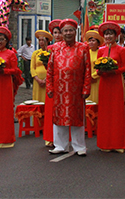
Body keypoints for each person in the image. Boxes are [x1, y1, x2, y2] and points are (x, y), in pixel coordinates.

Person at [46, 19, 91, 156]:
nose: (68, 33)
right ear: (62, 33)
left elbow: (87, 70)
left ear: (75, 31)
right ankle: (60, 145)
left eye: (71, 30)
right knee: (59, 118)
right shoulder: (55, 48)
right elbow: (50, 69)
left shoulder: (83, 48)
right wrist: (49, 87)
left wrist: (86, 89)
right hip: (59, 90)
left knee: (77, 118)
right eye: (65, 30)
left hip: (76, 89)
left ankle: (79, 147)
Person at [96, 21, 125, 153]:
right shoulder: (101, 50)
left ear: (116, 36)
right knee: (104, 111)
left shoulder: (121, 50)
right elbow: (97, 67)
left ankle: (118, 143)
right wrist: (100, 71)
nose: (108, 37)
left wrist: (113, 71)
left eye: (110, 34)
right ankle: (105, 143)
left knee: (116, 110)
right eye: (106, 34)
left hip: (116, 82)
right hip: (104, 82)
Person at [43, 19, 63, 147]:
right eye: (55, 32)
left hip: (64, 82)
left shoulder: (68, 48)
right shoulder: (49, 49)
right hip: (52, 81)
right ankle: (50, 137)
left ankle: (64, 138)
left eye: (59, 32)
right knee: (51, 109)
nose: (57, 35)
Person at [31, 30, 53, 104]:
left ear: (47, 41)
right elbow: (32, 68)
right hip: (38, 80)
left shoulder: (51, 52)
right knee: (38, 99)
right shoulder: (36, 53)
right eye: (39, 40)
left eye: (43, 40)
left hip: (48, 80)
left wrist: (46, 79)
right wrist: (37, 79)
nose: (41, 42)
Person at [85, 30, 104, 103]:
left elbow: (102, 67)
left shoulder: (101, 52)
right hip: (87, 80)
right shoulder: (86, 52)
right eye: (90, 41)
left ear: (98, 43)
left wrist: (93, 76)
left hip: (97, 79)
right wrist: (87, 77)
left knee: (97, 98)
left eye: (93, 41)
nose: (91, 43)